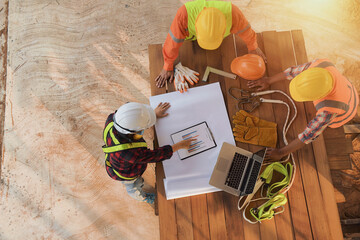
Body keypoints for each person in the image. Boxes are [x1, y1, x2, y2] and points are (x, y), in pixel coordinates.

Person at [247, 59, 359, 160]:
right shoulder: (321, 64)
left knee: (331, 124)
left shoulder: (329, 110)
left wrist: (282, 152)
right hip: (347, 88)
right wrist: (268, 80)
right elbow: (293, 71)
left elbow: (309, 134)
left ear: (318, 98)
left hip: (346, 111)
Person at [155, 0, 266, 88]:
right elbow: (172, 43)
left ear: (223, 30)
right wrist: (167, 66)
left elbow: (246, 31)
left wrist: (253, 47)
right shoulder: (184, 14)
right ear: (196, 28)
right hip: (192, 34)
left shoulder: (233, 13)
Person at [102, 102, 195, 204]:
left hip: (115, 159)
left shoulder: (113, 119)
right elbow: (156, 156)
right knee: (135, 186)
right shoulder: (130, 153)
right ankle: (143, 197)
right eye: (144, 127)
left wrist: (151, 115)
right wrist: (179, 145)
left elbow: (133, 117)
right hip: (126, 173)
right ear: (134, 133)